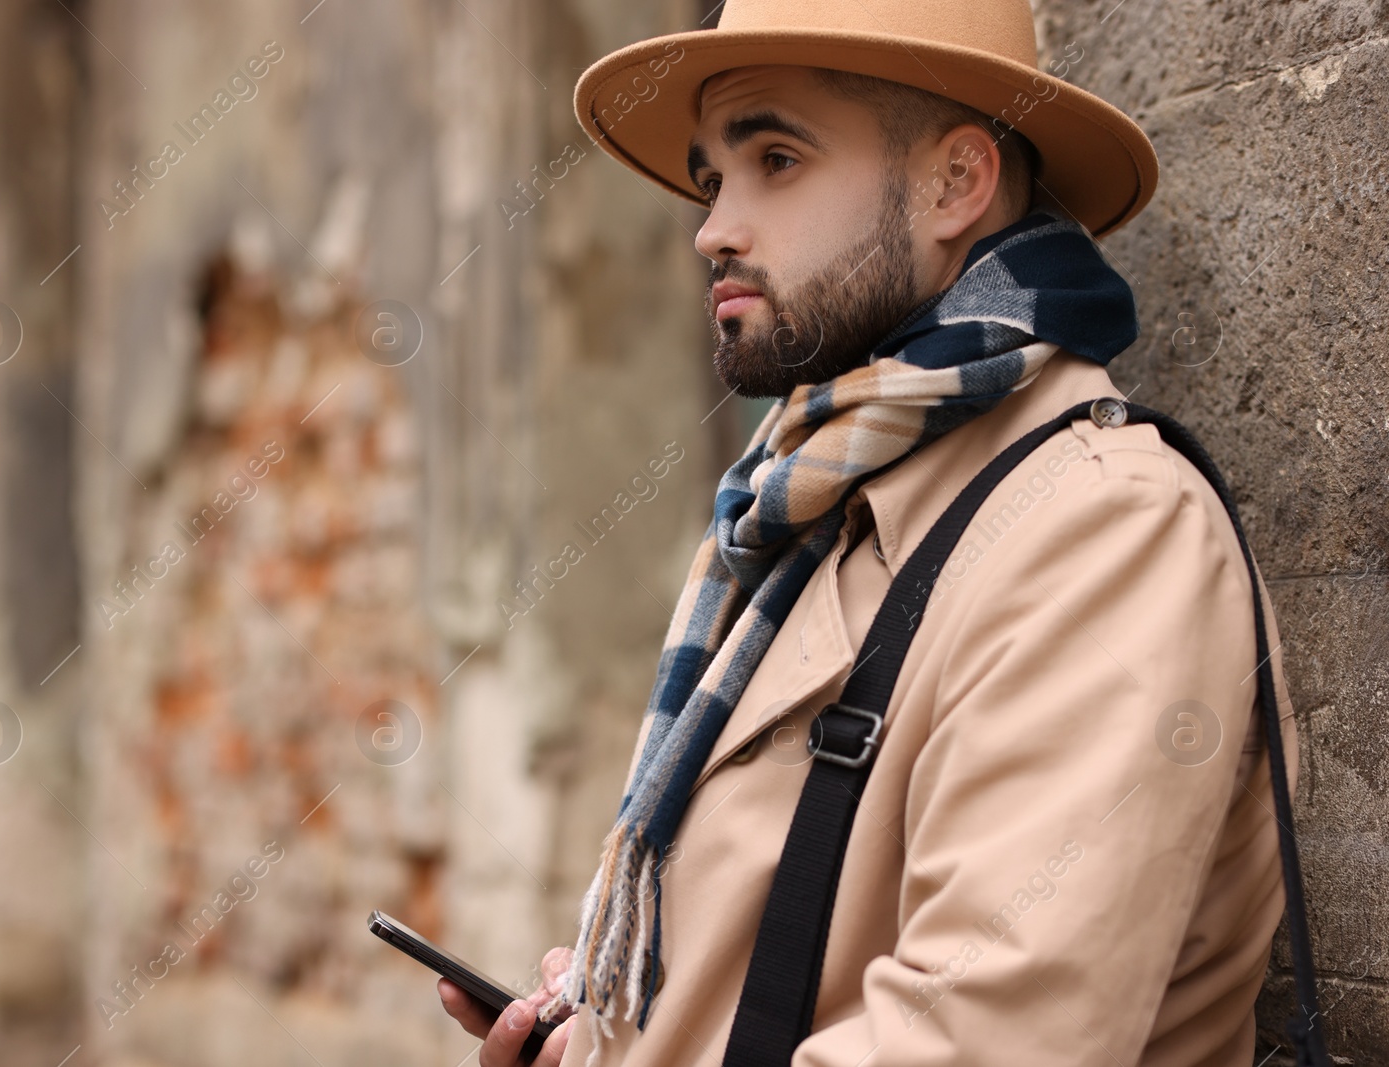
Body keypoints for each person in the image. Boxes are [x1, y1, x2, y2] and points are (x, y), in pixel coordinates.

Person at [440, 0, 1298, 1064]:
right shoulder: (802, 511)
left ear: (954, 183)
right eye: (714, 178)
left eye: (776, 157)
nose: (713, 228)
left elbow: (982, 1039)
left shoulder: (1107, 529)